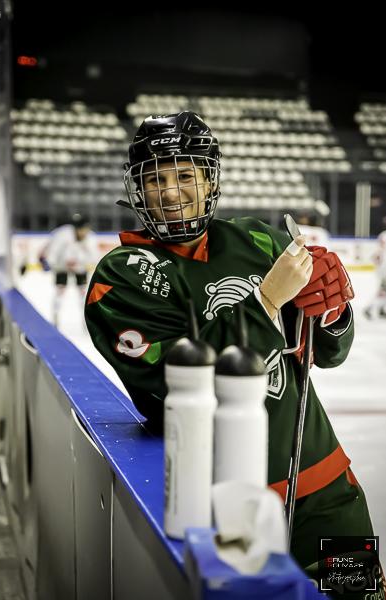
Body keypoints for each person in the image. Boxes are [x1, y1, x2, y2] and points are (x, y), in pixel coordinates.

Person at [85, 112, 379, 592]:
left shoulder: (258, 239)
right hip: (222, 509)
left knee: (357, 595)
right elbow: (169, 386)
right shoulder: (123, 275)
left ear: (209, 181)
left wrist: (330, 309)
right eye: (156, 179)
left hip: (326, 492)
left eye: (185, 175)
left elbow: (328, 354)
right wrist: (267, 300)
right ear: (138, 188)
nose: (171, 192)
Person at [43, 213, 100, 326]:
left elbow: (94, 256)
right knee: (60, 291)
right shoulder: (63, 235)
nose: (84, 232)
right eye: (82, 229)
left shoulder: (91, 238)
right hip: (62, 267)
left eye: (86, 229)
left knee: (83, 293)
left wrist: (84, 263)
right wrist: (51, 263)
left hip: (80, 268)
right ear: (76, 228)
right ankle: (55, 316)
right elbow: (53, 251)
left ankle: (86, 319)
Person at [364, 229, 386, 319]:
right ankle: (369, 308)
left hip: (381, 269)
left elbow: (376, 254)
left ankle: (380, 309)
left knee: (383, 291)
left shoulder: (382, 234)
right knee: (383, 292)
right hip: (384, 269)